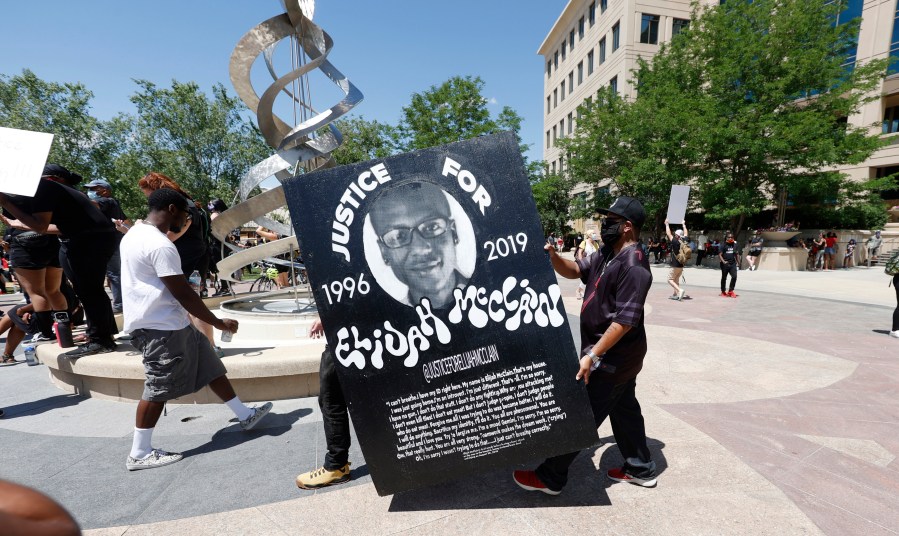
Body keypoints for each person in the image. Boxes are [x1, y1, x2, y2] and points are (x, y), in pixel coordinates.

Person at [513, 196, 657, 495]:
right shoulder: (607, 253)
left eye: (611, 221)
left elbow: (624, 321)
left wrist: (593, 354)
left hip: (614, 356)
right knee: (624, 407)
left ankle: (551, 477)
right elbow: (575, 271)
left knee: (584, 413)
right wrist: (552, 256)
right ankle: (640, 468)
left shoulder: (634, 266)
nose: (604, 225)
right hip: (616, 355)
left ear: (627, 227)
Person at [121, 189, 272, 471]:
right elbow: (185, 295)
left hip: (171, 323)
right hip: (161, 328)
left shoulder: (135, 235)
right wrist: (219, 323)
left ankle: (244, 414)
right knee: (158, 388)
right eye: (186, 214)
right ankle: (139, 452)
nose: (187, 220)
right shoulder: (161, 246)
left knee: (210, 365)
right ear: (172, 209)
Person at [0, 164, 119, 357]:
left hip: (86, 241)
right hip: (95, 238)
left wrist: (5, 201)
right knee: (92, 289)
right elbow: (60, 225)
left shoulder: (42, 188)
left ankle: (101, 340)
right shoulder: (61, 190)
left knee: (88, 290)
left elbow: (39, 225)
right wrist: (17, 222)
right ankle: (103, 335)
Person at [138, 173, 220, 354]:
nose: (149, 200)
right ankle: (206, 346)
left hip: (188, 260)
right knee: (191, 304)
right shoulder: (188, 202)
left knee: (192, 304)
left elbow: (172, 235)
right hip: (195, 257)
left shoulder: (181, 207)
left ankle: (209, 348)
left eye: (148, 194)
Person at [369, 182, 469, 309]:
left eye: (432, 227)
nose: (420, 249)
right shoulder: (390, 325)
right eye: (398, 236)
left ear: (453, 233)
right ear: (384, 252)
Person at [295, 318, 353, 489]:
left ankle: (337, 466)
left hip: (344, 337)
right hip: (352, 333)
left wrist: (328, 315)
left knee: (332, 400)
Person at [85, 179, 131, 313]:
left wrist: (74, 196)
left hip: (109, 242)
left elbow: (90, 204)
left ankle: (119, 304)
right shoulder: (114, 203)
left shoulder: (107, 201)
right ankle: (120, 302)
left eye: (94, 189)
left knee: (113, 274)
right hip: (113, 241)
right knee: (113, 274)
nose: (91, 192)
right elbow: (125, 220)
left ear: (105, 190)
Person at [665, 219, 688, 301]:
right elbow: (685, 233)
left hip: (674, 264)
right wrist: (683, 224)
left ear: (677, 235)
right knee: (676, 279)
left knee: (670, 279)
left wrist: (667, 224)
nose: (674, 235)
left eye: (675, 234)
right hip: (681, 265)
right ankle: (675, 294)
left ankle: (680, 290)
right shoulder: (685, 240)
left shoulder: (675, 241)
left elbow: (668, 234)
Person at [574, 232, 599, 299]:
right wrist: (581, 263)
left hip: (594, 264)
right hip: (585, 263)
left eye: (595, 233)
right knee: (587, 278)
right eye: (593, 233)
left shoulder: (596, 243)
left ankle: (581, 291)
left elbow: (598, 253)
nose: (595, 235)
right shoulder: (584, 242)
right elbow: (580, 252)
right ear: (589, 235)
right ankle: (579, 291)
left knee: (589, 279)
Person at [719, 231, 740, 298]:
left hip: (733, 263)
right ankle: (723, 291)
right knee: (724, 278)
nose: (730, 238)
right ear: (726, 238)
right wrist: (724, 262)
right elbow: (720, 255)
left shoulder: (735, 244)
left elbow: (736, 254)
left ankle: (731, 291)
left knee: (734, 276)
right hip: (725, 264)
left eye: (731, 237)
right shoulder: (723, 245)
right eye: (729, 237)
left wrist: (738, 263)